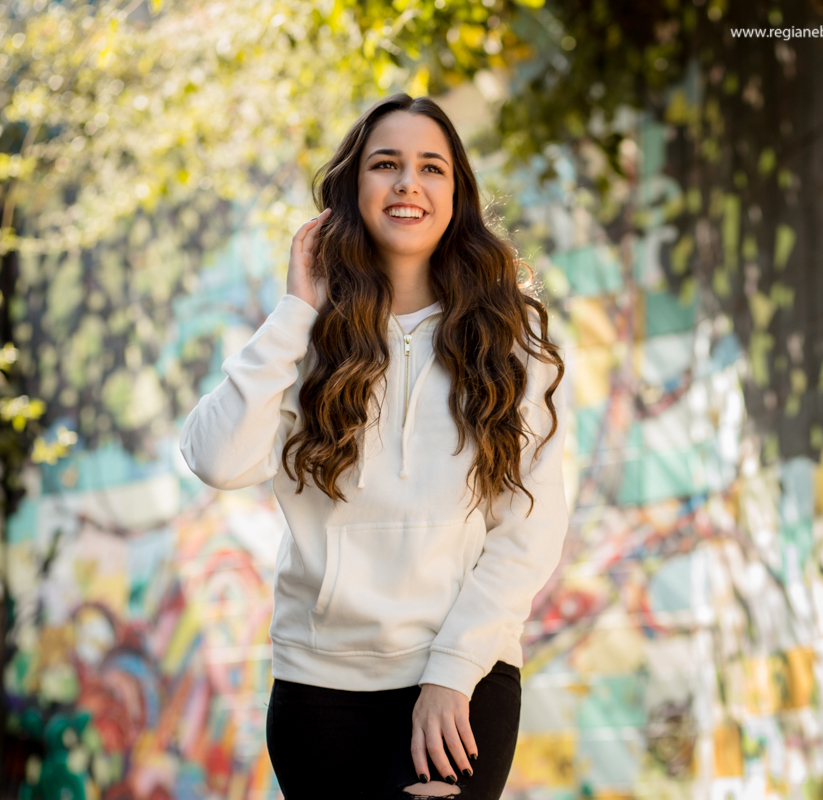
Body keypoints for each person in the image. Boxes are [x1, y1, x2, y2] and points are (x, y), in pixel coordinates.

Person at [179, 92, 569, 799]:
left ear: (458, 194)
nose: (407, 184)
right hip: (318, 689)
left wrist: (451, 671)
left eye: (431, 168)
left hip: (461, 677)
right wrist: (298, 308)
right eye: (385, 164)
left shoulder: (512, 346)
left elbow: (528, 533)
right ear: (352, 190)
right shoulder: (305, 342)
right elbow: (214, 458)